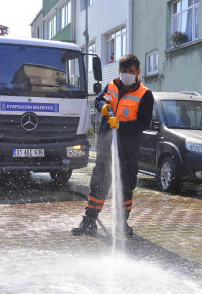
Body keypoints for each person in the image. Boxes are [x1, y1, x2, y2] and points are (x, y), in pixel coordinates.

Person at [71, 54, 154, 238]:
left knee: (126, 186)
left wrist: (122, 126)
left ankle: (122, 224)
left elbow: (144, 123)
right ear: (119, 71)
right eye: (123, 71)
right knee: (98, 184)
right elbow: (100, 99)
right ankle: (89, 222)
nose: (126, 74)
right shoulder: (111, 85)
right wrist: (102, 106)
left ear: (137, 72)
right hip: (106, 147)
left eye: (130, 71)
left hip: (128, 150)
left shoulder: (145, 94)